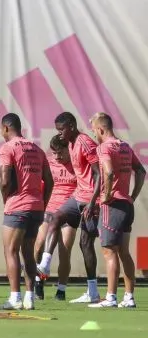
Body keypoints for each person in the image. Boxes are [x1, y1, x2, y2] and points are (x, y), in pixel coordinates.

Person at [87, 112, 144, 309]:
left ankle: (110, 297)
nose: (94, 134)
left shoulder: (104, 148)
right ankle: (129, 297)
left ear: (101, 129)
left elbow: (109, 172)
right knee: (124, 252)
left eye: (94, 130)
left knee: (109, 251)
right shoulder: (125, 146)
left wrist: (106, 195)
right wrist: (133, 196)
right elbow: (141, 171)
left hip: (112, 206)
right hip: (126, 205)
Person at [0, 113, 52, 311]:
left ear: (5, 128)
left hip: (17, 206)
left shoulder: (7, 148)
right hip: (36, 208)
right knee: (28, 253)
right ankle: (30, 298)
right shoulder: (36, 148)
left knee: (10, 251)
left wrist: (6, 199)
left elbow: (4, 180)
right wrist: (42, 203)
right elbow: (50, 180)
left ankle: (15, 298)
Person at [54, 112, 103, 304]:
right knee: (55, 218)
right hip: (78, 196)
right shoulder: (71, 143)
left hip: (90, 200)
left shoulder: (84, 142)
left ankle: (93, 291)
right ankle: (44, 265)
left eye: (62, 130)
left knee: (85, 243)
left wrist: (92, 202)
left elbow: (99, 174)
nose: (59, 134)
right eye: (57, 130)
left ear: (72, 127)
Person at [34, 134, 77, 301]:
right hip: (49, 209)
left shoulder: (77, 164)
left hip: (69, 211)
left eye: (61, 153)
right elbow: (41, 186)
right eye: (54, 153)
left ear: (69, 149)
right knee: (38, 245)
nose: (57, 157)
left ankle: (61, 289)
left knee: (64, 250)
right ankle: (39, 281)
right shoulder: (49, 163)